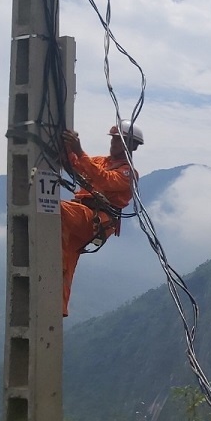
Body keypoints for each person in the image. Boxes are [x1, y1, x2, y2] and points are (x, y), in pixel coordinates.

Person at [60, 120, 142, 317]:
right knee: (65, 259)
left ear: (132, 146)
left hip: (95, 220)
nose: (113, 143)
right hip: (82, 216)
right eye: (113, 139)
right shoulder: (99, 161)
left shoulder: (128, 172)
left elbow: (104, 179)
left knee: (54, 210)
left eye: (119, 140)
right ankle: (58, 307)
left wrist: (79, 150)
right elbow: (75, 164)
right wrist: (68, 144)